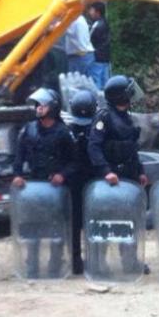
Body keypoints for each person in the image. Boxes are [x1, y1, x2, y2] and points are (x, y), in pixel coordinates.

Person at [86, 75, 149, 276]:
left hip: (128, 177)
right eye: (128, 92)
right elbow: (94, 147)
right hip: (111, 179)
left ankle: (130, 262)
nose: (132, 95)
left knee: (129, 220)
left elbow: (132, 149)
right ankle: (100, 264)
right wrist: (106, 171)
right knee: (106, 221)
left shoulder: (127, 118)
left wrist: (140, 171)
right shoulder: (104, 117)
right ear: (120, 96)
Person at [12, 88, 77, 277]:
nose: (39, 108)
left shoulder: (64, 132)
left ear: (53, 107)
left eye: (43, 105)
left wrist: (62, 175)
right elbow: (19, 156)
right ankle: (32, 265)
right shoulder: (29, 129)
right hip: (34, 187)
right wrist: (17, 174)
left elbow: (75, 162)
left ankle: (55, 265)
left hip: (55, 189)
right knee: (33, 227)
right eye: (37, 105)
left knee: (56, 229)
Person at [66, 89, 98, 274]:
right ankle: (90, 259)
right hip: (89, 180)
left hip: (79, 181)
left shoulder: (69, 130)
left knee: (77, 222)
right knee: (87, 221)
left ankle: (78, 260)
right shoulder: (96, 128)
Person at [86, 2, 111, 89]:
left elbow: (88, 39)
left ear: (98, 12)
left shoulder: (97, 25)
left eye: (91, 10)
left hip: (97, 58)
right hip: (105, 57)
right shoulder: (105, 22)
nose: (90, 12)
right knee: (106, 82)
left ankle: (97, 97)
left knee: (96, 82)